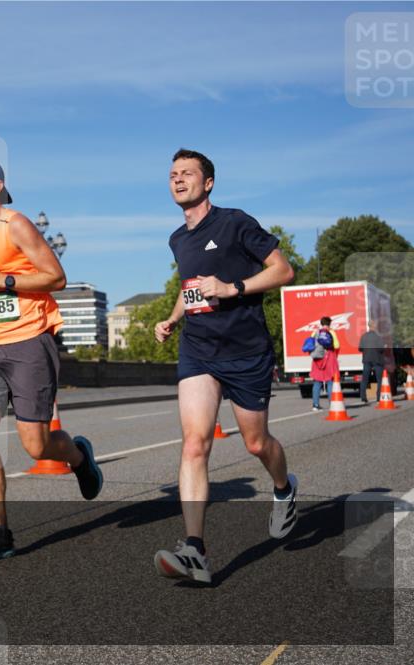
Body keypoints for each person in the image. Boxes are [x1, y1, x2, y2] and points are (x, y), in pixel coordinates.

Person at [0, 156, 103, 564]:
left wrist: (8, 280)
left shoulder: (15, 225)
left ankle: (78, 457)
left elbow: (56, 276)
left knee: (36, 447)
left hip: (30, 341)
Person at [152, 149, 298, 584]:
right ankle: (194, 549)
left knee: (256, 444)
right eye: (173, 175)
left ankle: (284, 488)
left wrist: (233, 288)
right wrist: (173, 318)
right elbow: (190, 287)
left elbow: (283, 270)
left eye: (187, 174)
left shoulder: (235, 223)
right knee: (194, 443)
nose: (178, 180)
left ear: (208, 182)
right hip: (197, 350)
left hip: (245, 350)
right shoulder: (178, 238)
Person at [309, 316, 340, 411]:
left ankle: (315, 404)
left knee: (317, 382)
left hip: (317, 359)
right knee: (330, 381)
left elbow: (311, 345)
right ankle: (332, 404)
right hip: (329, 358)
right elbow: (337, 345)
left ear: (321, 323)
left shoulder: (315, 332)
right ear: (329, 324)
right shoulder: (331, 332)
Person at [359, 320, 385, 403]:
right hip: (377, 359)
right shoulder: (378, 337)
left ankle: (363, 397)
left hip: (366, 359)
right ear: (375, 326)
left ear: (369, 326)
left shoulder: (363, 336)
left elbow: (360, 349)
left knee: (365, 379)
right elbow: (381, 349)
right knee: (379, 379)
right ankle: (379, 397)